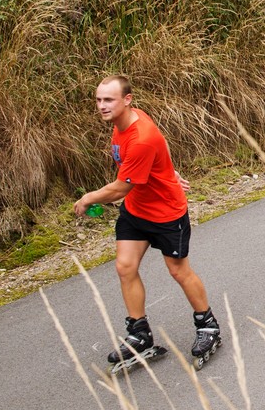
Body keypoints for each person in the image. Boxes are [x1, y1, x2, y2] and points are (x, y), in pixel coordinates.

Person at [73, 75, 220, 366]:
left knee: (178, 271)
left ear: (127, 100)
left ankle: (208, 326)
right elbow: (161, 146)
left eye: (109, 100)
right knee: (125, 266)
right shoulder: (126, 121)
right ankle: (139, 334)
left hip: (166, 212)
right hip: (136, 210)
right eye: (99, 100)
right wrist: (167, 169)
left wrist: (88, 197)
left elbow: (119, 188)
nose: (102, 106)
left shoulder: (140, 137)